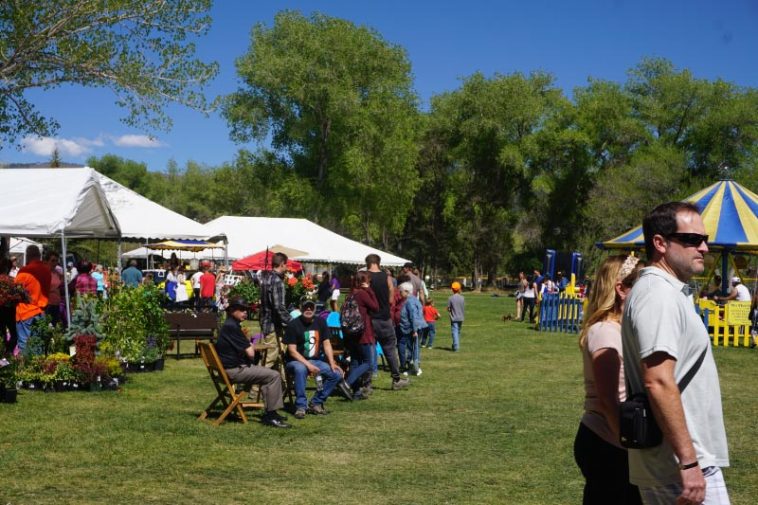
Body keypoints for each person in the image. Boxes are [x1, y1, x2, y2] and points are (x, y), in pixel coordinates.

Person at [621, 201, 730, 504]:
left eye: (705, 239)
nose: (704, 248)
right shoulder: (657, 294)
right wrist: (689, 462)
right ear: (660, 243)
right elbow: (657, 381)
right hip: (679, 465)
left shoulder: (668, 291)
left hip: (682, 461)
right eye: (693, 239)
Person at [574, 254, 643, 505]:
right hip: (607, 443)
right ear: (621, 289)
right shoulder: (605, 332)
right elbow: (607, 399)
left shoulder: (621, 330)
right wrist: (628, 446)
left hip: (614, 441)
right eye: (641, 284)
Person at [215, 297, 290, 429]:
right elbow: (250, 353)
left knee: (268, 375)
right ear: (232, 311)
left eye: (246, 310)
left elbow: (246, 346)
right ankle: (271, 415)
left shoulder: (228, 325)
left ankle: (271, 412)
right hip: (235, 371)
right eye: (242, 310)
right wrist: (249, 347)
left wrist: (247, 346)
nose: (245, 312)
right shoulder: (232, 327)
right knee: (273, 375)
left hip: (226, 369)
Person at [284, 297, 343, 419]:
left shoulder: (321, 322)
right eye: (306, 307)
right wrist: (308, 365)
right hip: (295, 361)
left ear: (315, 308)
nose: (308, 309)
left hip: (315, 360)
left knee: (336, 374)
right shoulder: (293, 325)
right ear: (301, 308)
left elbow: (327, 344)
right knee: (301, 369)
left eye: (311, 306)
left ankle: (316, 402)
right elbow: (292, 351)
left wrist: (332, 363)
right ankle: (300, 406)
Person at [365, 254, 409, 390]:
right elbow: (391, 300)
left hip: (369, 319)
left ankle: (366, 383)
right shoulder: (387, 278)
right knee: (389, 350)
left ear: (367, 263)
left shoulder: (364, 277)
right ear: (379, 263)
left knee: (368, 351)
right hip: (384, 319)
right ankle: (396, 379)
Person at [341, 271, 378, 399]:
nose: (370, 283)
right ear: (364, 281)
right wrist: (370, 291)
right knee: (368, 362)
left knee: (355, 362)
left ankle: (356, 393)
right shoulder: (362, 294)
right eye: (369, 281)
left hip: (352, 334)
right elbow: (375, 307)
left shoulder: (350, 294)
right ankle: (347, 383)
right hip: (363, 333)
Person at [14, 245, 51, 353]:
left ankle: (25, 368)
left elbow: (16, 290)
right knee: (38, 343)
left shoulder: (25, 271)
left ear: (28, 255)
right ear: (39, 256)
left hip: (25, 311)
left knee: (24, 343)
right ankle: (38, 367)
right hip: (41, 311)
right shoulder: (47, 270)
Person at [259, 252, 292, 369]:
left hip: (265, 322)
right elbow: (279, 307)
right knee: (269, 359)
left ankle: (278, 386)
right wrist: (292, 322)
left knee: (274, 357)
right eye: (286, 265)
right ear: (282, 264)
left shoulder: (265, 279)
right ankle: (255, 387)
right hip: (272, 325)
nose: (287, 267)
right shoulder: (277, 281)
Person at [398, 281, 427, 375]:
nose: (400, 293)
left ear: (406, 291)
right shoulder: (414, 300)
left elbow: (413, 316)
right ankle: (412, 367)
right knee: (412, 347)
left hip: (413, 329)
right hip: (413, 328)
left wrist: (414, 330)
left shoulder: (409, 302)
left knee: (414, 348)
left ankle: (416, 368)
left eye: (401, 291)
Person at [45, 251, 63, 326]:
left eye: (56, 261)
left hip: (56, 304)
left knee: (55, 326)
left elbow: (60, 286)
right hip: (47, 304)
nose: (55, 263)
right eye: (52, 260)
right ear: (47, 261)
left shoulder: (57, 273)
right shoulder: (44, 272)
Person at [447, 282, 465, 351]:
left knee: (454, 331)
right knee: (458, 332)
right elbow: (463, 307)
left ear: (452, 289)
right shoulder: (462, 298)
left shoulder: (450, 298)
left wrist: (449, 310)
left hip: (454, 317)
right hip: (461, 317)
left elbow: (448, 308)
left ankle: (456, 346)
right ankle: (455, 344)